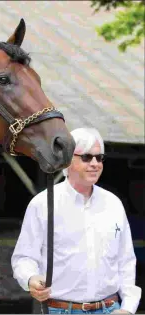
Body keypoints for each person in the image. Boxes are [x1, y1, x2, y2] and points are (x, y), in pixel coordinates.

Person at [11, 127, 141, 314]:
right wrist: (30, 278)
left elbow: (126, 261)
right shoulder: (43, 203)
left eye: (99, 157)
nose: (95, 163)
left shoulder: (114, 204)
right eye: (87, 157)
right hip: (61, 310)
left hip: (111, 309)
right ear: (68, 160)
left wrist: (128, 308)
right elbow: (24, 257)